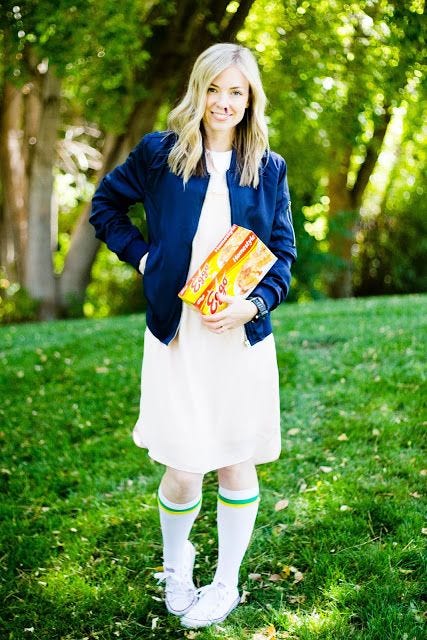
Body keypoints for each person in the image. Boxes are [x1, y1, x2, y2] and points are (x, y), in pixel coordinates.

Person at [90, 42, 296, 629]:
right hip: (176, 334)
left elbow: (283, 252)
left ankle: (225, 582)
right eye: (214, 89)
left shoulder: (269, 167)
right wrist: (142, 257)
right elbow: (106, 206)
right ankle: (177, 567)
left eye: (237, 91)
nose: (224, 102)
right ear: (198, 90)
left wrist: (252, 304)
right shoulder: (162, 154)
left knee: (235, 461)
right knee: (182, 465)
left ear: (250, 97)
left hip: (239, 339)